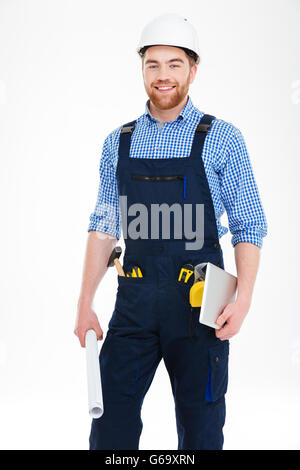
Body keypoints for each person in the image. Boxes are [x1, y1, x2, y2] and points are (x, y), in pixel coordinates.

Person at [74, 13, 268, 450]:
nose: (163, 76)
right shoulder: (117, 142)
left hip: (200, 308)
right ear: (142, 69)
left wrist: (245, 299)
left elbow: (248, 223)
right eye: (153, 64)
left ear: (192, 70)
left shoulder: (222, 138)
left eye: (174, 64)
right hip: (133, 307)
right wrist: (85, 302)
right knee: (110, 427)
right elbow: (104, 226)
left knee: (201, 432)